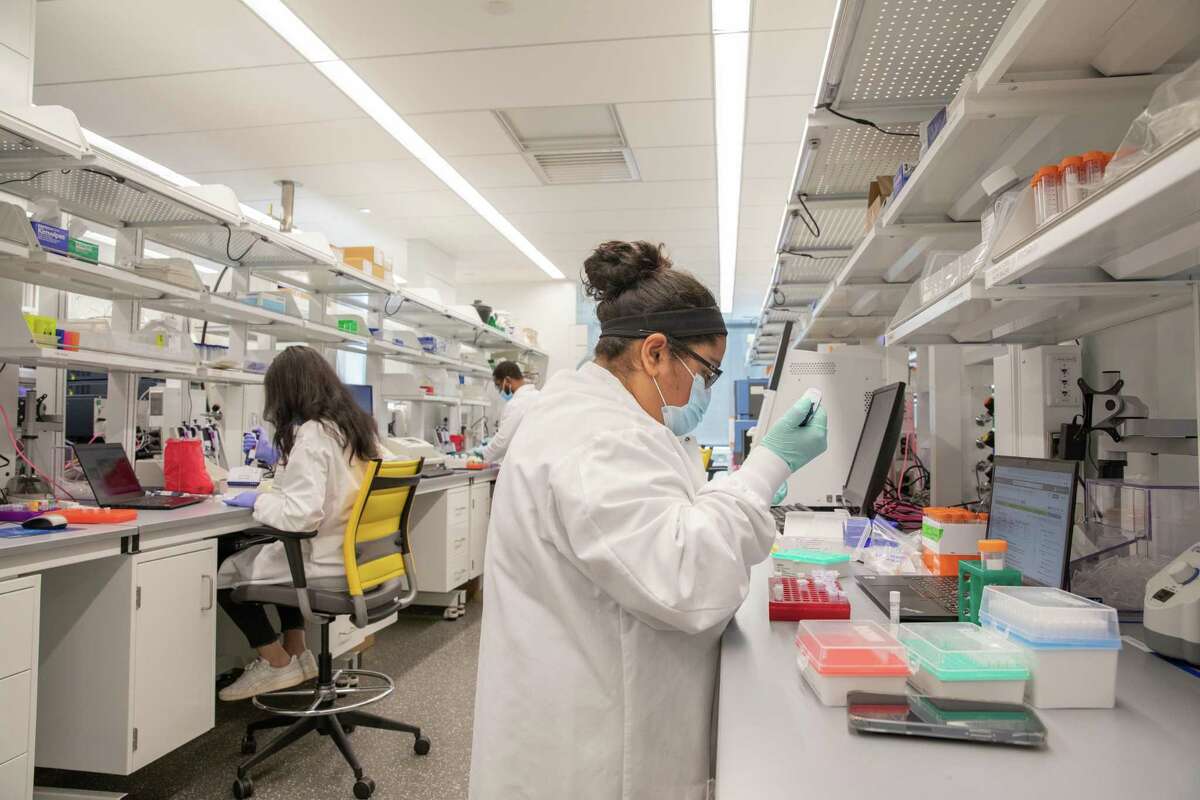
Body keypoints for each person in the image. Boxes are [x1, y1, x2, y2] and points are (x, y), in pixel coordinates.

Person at [469, 241, 827, 799]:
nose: (703, 390)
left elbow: (664, 524)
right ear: (655, 352)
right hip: (594, 746)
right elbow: (686, 578)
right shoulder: (596, 439)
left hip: (596, 701)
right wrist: (765, 468)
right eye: (705, 372)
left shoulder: (603, 420)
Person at [217, 345, 382, 702]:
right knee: (280, 555)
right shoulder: (353, 428)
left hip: (325, 560)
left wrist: (258, 499)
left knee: (223, 567)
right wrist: (282, 463)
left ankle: (275, 662)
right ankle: (297, 651)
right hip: (358, 558)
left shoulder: (312, 435)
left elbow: (299, 517)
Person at [476, 361, 540, 463]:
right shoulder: (538, 395)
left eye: (499, 385)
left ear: (507, 380)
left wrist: (484, 454)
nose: (500, 390)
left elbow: (503, 441)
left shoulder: (517, 403)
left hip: (523, 462)